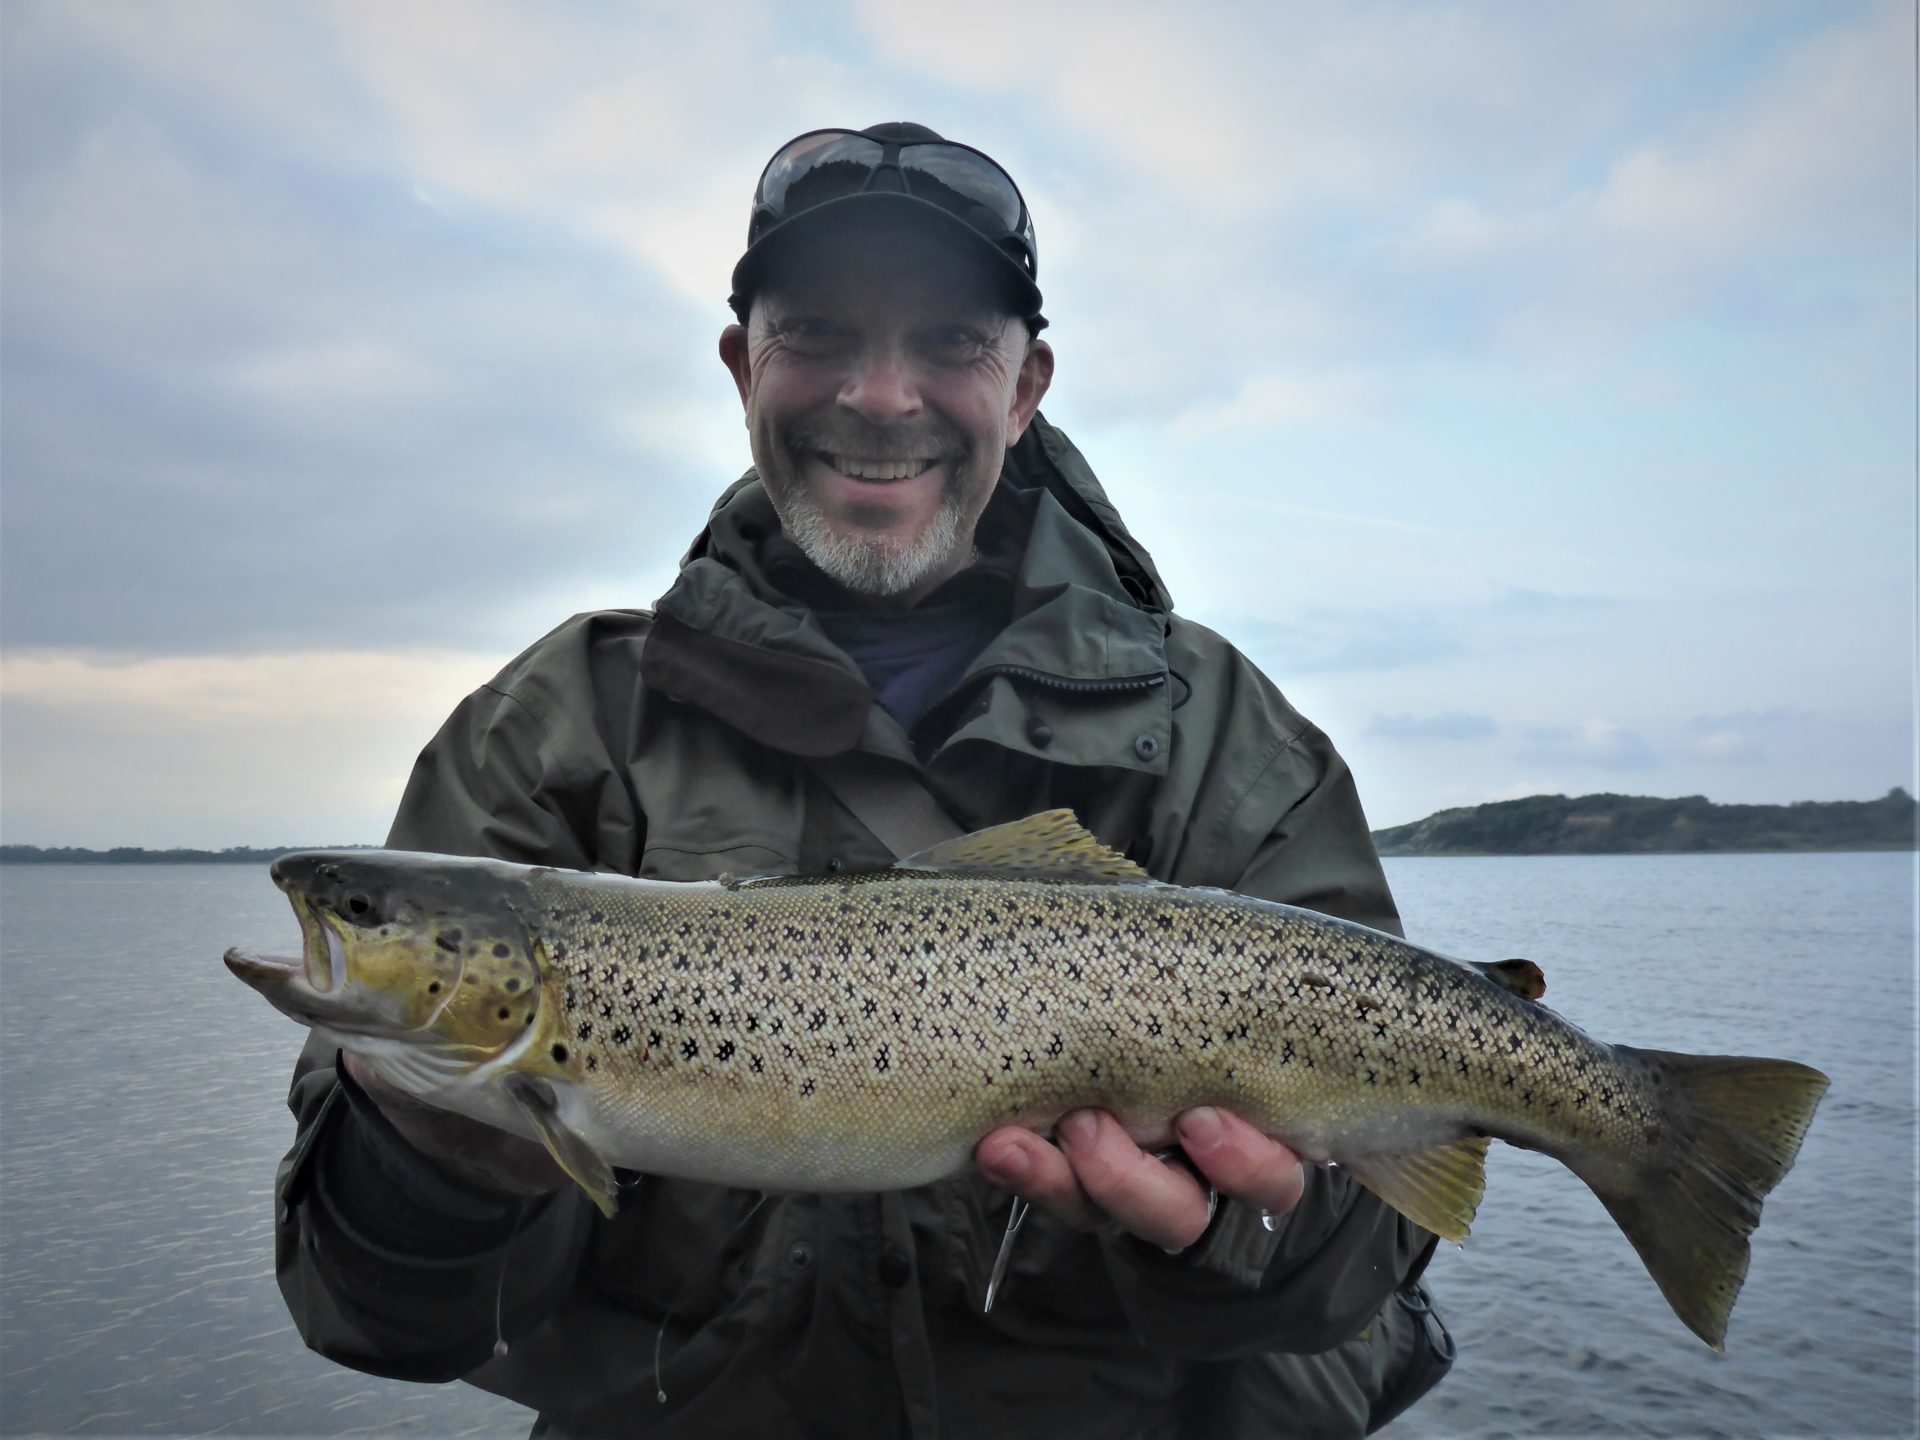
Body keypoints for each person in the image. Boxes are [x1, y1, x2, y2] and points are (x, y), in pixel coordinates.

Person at [272, 122, 1453, 1438]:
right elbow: (372, 1312)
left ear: (1024, 386)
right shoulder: (553, 732)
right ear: (741, 368)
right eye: (818, 335)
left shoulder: (1225, 736)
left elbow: (1374, 1257)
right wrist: (428, 1165)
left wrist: (1241, 1235)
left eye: (950, 343)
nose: (880, 396)